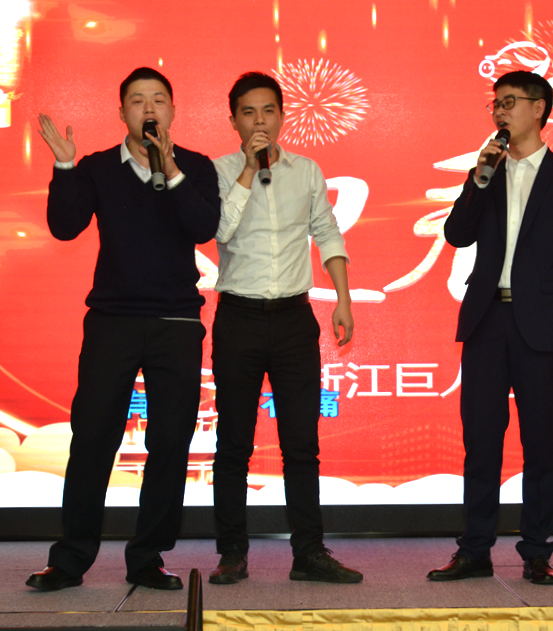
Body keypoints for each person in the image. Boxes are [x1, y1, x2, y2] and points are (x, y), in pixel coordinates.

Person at [27, 67, 220, 591]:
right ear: (121, 113)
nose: (148, 108)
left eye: (158, 99)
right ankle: (70, 559)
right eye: (137, 100)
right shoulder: (96, 168)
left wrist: (169, 168)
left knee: (170, 441)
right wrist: (64, 166)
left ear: (173, 111)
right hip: (113, 321)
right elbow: (64, 227)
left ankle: (148, 557)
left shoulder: (196, 167)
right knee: (92, 437)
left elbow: (204, 228)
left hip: (176, 321)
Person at [427, 71, 553, 585]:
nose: (500, 112)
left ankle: (537, 551)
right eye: (495, 104)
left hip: (543, 327)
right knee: (481, 440)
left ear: (539, 108)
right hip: (487, 321)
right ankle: (474, 549)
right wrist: (478, 179)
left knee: (540, 443)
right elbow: (456, 234)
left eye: (509, 102)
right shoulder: (487, 172)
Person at [207, 72, 361, 585]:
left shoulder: (307, 170)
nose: (260, 121)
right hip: (239, 318)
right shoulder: (219, 171)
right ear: (234, 120)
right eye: (249, 112)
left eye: (268, 110)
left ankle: (309, 553)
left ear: (282, 116)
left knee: (301, 444)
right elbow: (219, 230)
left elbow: (328, 233)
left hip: (295, 320)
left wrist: (342, 299)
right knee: (234, 443)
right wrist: (250, 170)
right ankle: (232, 553)